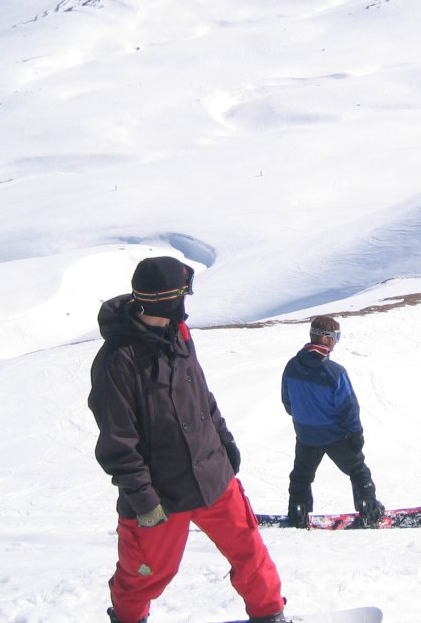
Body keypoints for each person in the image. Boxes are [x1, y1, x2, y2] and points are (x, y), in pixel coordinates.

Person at [88, 256, 288, 623]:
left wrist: (224, 443)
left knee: (250, 551)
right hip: (160, 496)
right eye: (183, 295)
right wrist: (145, 500)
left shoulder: (179, 336)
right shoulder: (117, 362)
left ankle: (270, 615)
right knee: (145, 575)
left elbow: (202, 396)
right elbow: (118, 443)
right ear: (168, 299)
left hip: (212, 473)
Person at [281, 315, 384, 528]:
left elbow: (287, 401)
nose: (337, 341)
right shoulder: (334, 372)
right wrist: (356, 433)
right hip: (335, 435)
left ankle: (298, 511)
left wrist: (305, 418)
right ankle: (369, 509)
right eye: (337, 336)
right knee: (358, 470)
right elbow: (348, 407)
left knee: (301, 475)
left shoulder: (292, 366)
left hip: (306, 435)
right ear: (326, 339)